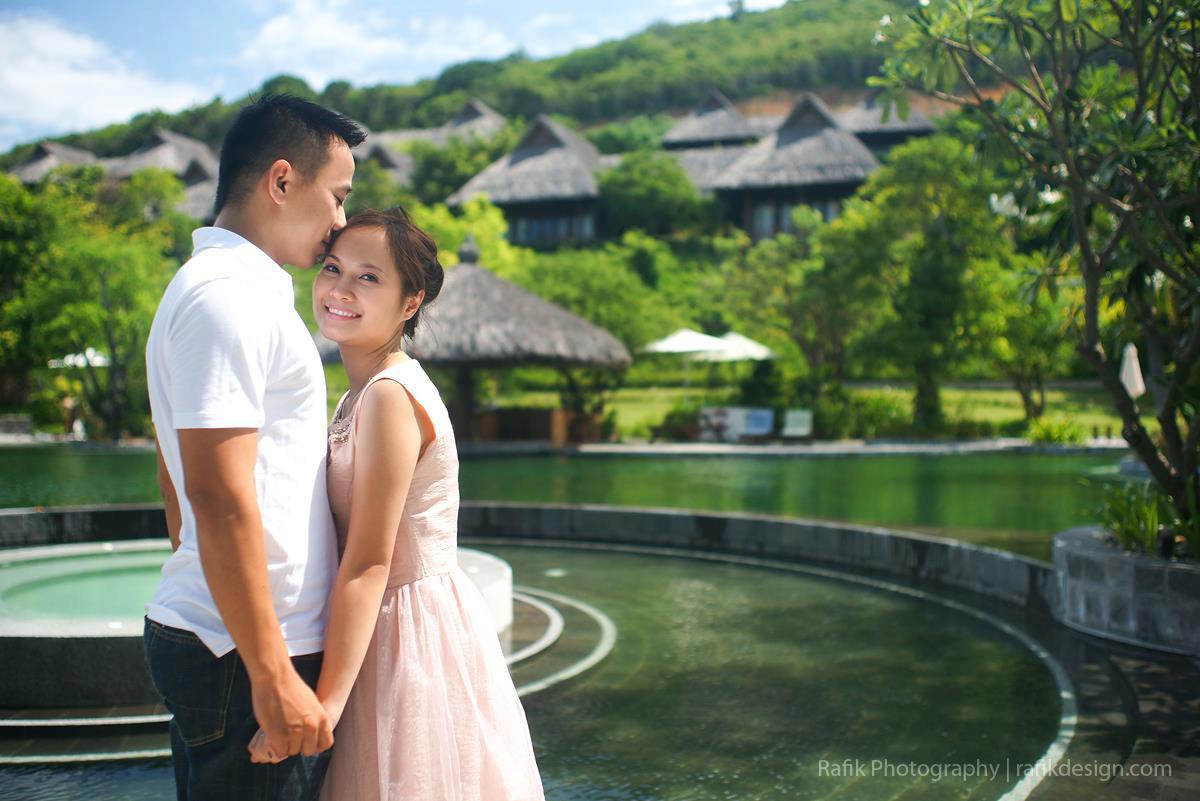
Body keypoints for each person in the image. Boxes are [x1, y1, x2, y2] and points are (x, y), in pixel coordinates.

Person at [250, 208, 545, 801]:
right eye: (333, 269)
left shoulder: (388, 395)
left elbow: (369, 562)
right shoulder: (362, 392)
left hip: (404, 631)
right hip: (382, 623)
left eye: (369, 277)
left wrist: (322, 708)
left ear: (410, 302)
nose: (341, 290)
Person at [144, 94, 365, 801]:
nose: (340, 221)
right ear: (281, 181)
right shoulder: (226, 298)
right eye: (337, 196)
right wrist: (270, 672)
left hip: (239, 638)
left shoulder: (230, 292)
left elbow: (176, 482)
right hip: (243, 653)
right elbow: (214, 493)